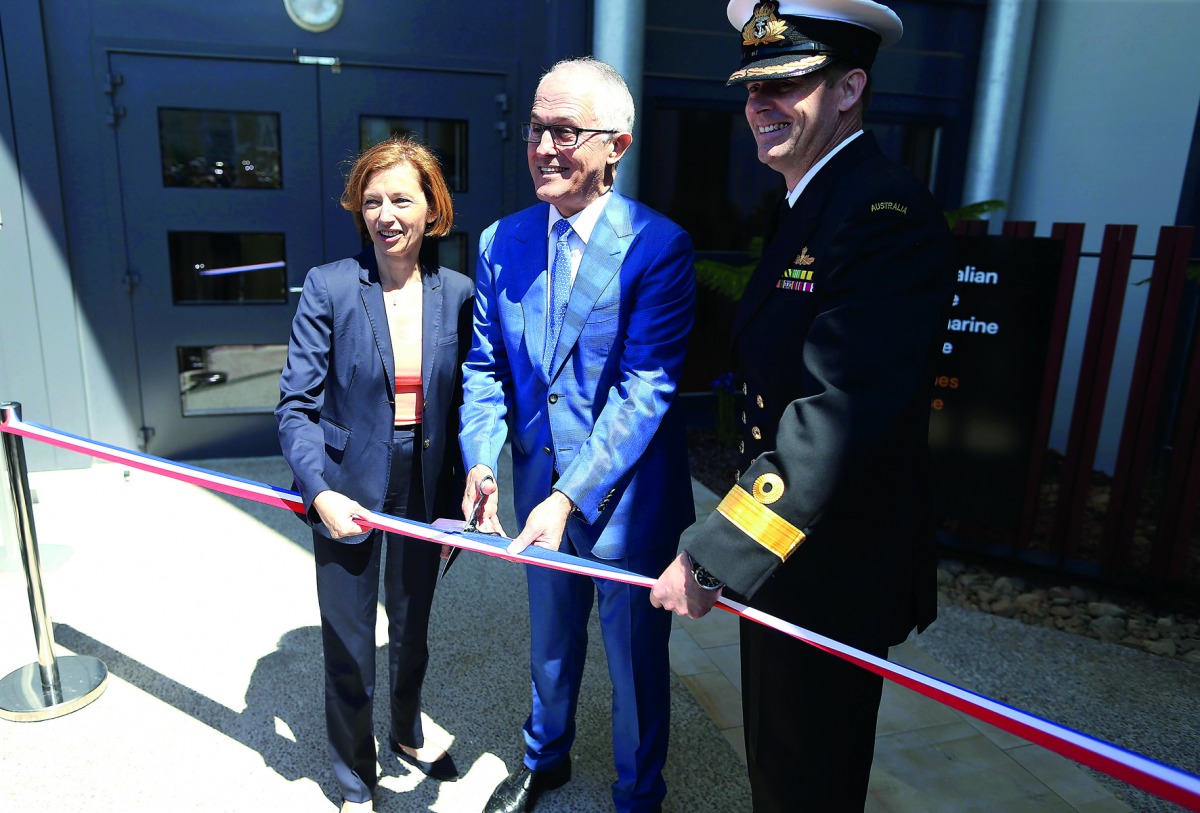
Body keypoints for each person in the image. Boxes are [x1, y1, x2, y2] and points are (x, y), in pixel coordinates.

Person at [650, 1, 957, 811]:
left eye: (786, 83)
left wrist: (716, 553)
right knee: (779, 773)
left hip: (832, 572)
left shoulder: (882, 215)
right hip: (791, 560)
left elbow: (836, 415)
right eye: (752, 86)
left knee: (805, 786)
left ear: (853, 86)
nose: (760, 104)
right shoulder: (812, 204)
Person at [459, 57, 696, 813]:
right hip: (536, 490)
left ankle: (637, 793)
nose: (543, 147)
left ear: (615, 145)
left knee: (633, 663)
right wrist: (481, 458)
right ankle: (544, 758)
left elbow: (643, 390)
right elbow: (484, 364)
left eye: (565, 131)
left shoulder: (658, 247)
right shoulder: (502, 240)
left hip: (626, 504)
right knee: (551, 642)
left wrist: (570, 496)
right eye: (535, 129)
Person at [276, 136, 473, 813]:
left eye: (401, 198)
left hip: (424, 484)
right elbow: (294, 408)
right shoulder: (331, 286)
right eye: (372, 201)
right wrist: (319, 490)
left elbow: (472, 402)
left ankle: (408, 728)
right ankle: (356, 773)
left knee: (413, 626)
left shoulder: (459, 294)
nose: (386, 214)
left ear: (432, 208)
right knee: (351, 642)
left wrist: (470, 483)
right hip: (343, 484)